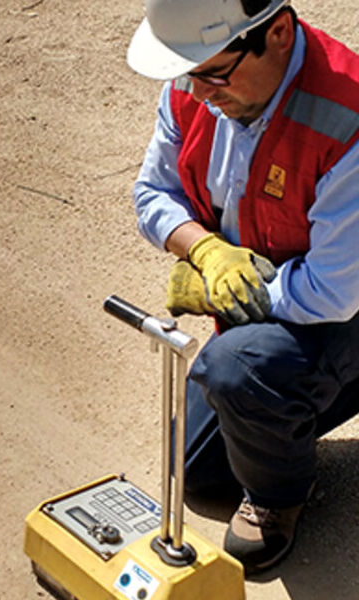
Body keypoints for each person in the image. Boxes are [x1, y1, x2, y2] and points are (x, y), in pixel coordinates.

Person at [127, 0, 359, 575]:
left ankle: (278, 500)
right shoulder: (196, 82)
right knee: (199, 469)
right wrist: (202, 247)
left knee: (235, 369)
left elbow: (332, 291)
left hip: (348, 304)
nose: (199, 92)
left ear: (277, 32)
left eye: (212, 73)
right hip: (302, 300)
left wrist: (225, 294)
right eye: (189, 74)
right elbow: (153, 193)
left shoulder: (346, 117)